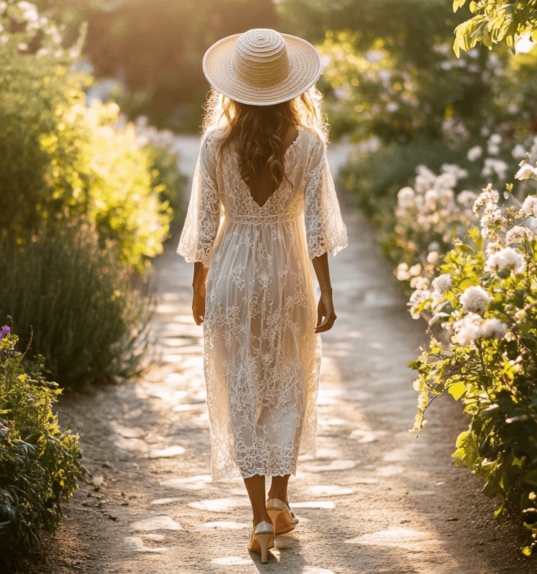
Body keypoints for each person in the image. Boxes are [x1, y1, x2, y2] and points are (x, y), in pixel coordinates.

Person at [177, 28, 348, 564]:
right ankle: (281, 498)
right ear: (288, 86)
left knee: (242, 391)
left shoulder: (214, 144)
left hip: (230, 273)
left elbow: (205, 226)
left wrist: (199, 284)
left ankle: (257, 518)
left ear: (235, 87)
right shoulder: (310, 144)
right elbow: (317, 227)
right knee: (288, 384)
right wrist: (325, 290)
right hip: (287, 275)